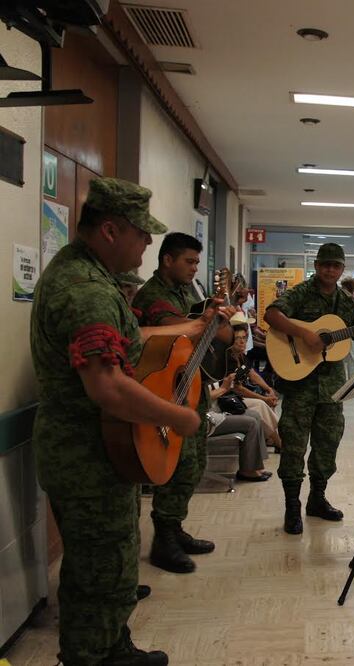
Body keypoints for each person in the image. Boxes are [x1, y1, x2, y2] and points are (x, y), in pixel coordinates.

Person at [30, 177, 204, 665]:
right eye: (141, 234)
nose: (148, 244)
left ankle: (113, 646)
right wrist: (180, 417)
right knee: (98, 568)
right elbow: (105, 386)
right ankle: (93, 656)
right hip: (87, 456)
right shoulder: (86, 290)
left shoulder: (87, 277)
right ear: (109, 230)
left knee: (108, 564)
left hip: (103, 450)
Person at [265, 243, 354, 534]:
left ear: (341, 269)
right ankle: (292, 506)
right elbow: (272, 315)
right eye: (325, 264)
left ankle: (317, 498)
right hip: (299, 382)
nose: (329, 270)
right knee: (294, 445)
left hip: (332, 386)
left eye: (335, 266)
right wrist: (305, 334)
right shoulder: (300, 293)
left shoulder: (348, 302)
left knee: (327, 444)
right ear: (316, 265)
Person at [132, 231, 236, 575]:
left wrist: (221, 324)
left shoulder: (188, 292)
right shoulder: (154, 295)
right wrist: (207, 322)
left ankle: (174, 528)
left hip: (190, 384)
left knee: (192, 463)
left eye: (196, 262)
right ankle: (164, 539)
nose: (194, 268)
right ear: (167, 260)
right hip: (163, 390)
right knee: (176, 465)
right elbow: (173, 327)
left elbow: (212, 332)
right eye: (188, 261)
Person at [206, 373, 270, 482]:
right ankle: (247, 471)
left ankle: (257, 466)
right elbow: (203, 398)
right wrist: (223, 388)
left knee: (255, 415)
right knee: (251, 423)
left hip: (215, 411)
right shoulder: (195, 376)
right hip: (207, 418)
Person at [225, 327, 281, 450]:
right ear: (230, 341)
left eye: (244, 338)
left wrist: (268, 389)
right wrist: (263, 398)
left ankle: (270, 438)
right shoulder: (228, 359)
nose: (242, 342)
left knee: (269, 397)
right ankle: (279, 442)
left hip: (241, 395)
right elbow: (237, 389)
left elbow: (252, 374)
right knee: (261, 404)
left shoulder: (242, 356)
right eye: (238, 338)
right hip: (229, 398)